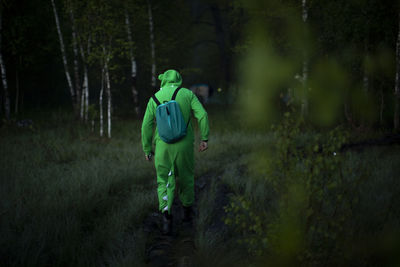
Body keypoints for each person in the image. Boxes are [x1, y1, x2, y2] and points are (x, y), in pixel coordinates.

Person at [141, 69, 209, 234]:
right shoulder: (187, 94)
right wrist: (204, 138)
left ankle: (166, 218)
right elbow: (202, 115)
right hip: (184, 146)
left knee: (163, 181)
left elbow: (146, 126)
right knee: (186, 178)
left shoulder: (154, 98)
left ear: (163, 80)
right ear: (178, 79)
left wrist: (147, 149)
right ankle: (187, 216)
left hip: (162, 147)